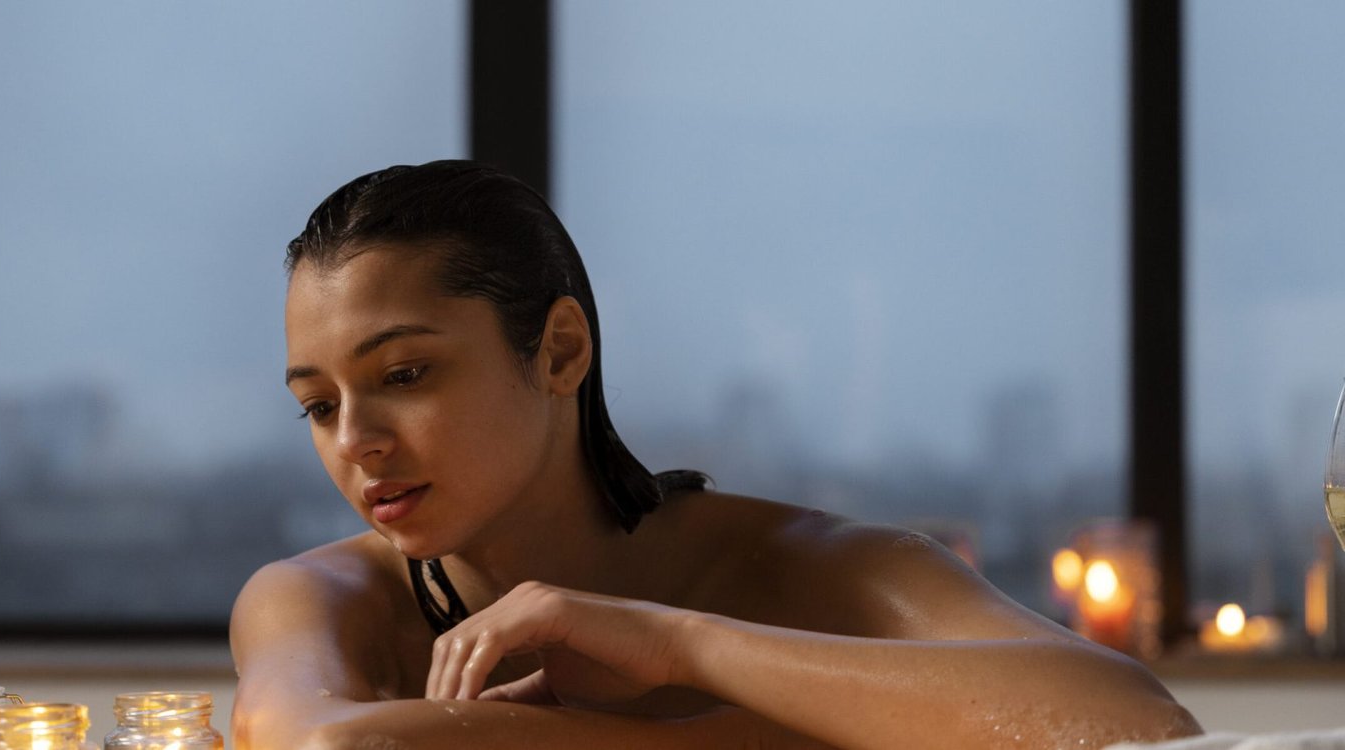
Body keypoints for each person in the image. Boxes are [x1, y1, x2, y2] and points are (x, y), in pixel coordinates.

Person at [229, 160, 1202, 749]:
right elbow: (307, 742)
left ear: (559, 350)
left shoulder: (821, 572)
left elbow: (1139, 728)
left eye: (404, 375)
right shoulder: (319, 602)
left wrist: (674, 643)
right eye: (316, 406)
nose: (356, 441)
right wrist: (794, 731)